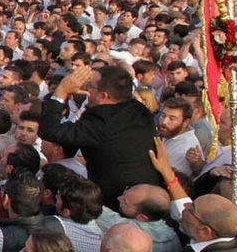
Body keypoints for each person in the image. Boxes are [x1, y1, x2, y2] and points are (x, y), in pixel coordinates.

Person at [40, 65, 162, 201]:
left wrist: (61, 92)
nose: (85, 89)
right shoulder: (138, 110)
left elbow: (50, 131)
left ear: (103, 96)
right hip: (148, 192)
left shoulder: (100, 121)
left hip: (118, 202)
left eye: (90, 86)